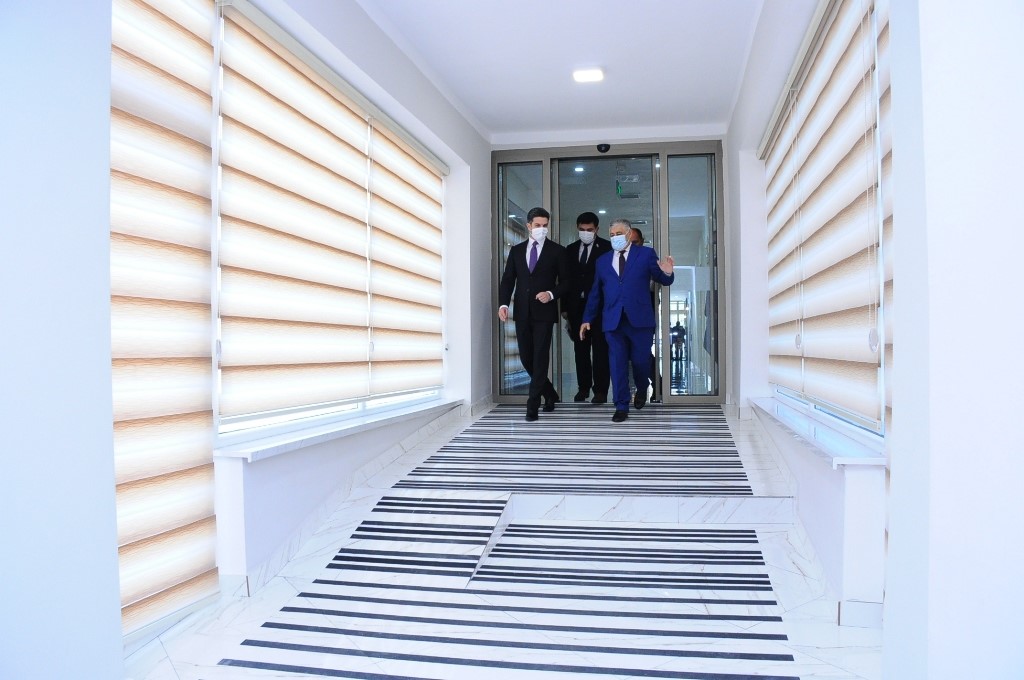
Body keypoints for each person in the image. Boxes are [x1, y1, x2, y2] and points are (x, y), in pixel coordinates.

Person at [580, 218, 674, 422]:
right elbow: (595, 293)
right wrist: (587, 318)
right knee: (617, 363)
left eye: (619, 234)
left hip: (640, 320)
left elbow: (662, 279)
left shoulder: (646, 254)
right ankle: (621, 405)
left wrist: (667, 273)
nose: (615, 238)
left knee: (641, 361)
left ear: (629, 234)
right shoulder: (602, 261)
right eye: (612, 235)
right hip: (613, 320)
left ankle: (642, 387)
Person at [498, 207, 569, 421]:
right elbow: (508, 280)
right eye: (537, 225)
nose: (542, 229)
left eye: (545, 225)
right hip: (521, 311)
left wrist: (551, 293)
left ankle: (533, 404)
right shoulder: (517, 251)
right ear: (528, 225)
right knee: (526, 357)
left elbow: (567, 282)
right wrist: (503, 304)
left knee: (540, 357)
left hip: (544, 313)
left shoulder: (557, 251)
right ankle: (550, 393)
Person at [562, 211, 612, 403]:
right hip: (577, 307)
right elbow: (565, 280)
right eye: (582, 229)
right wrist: (564, 308)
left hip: (600, 307)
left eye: (589, 229)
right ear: (577, 228)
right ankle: (583, 388)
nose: (586, 232)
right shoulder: (570, 249)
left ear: (597, 229)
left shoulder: (607, 248)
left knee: (600, 350)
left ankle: (600, 390)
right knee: (580, 350)